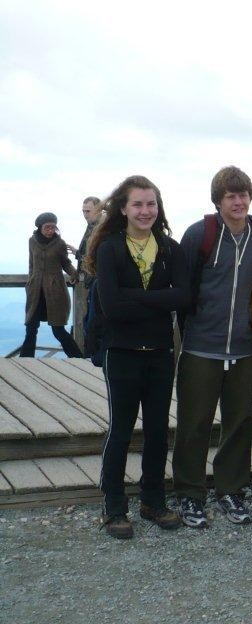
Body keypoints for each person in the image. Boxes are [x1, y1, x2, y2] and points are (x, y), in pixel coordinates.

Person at [84, 176, 189, 539]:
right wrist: (159, 300)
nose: (145, 211)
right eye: (138, 204)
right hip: (122, 352)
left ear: (158, 208)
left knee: (159, 430)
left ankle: (152, 501)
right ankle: (114, 507)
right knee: (121, 430)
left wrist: (135, 297)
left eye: (151, 204)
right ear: (124, 209)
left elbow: (184, 297)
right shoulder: (110, 249)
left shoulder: (171, 249)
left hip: (160, 352)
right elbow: (111, 307)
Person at [172, 166, 252, 529]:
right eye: (231, 195)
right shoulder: (200, 234)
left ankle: (231, 488)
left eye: (243, 194)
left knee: (239, 423)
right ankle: (189, 492)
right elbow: (183, 290)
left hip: (244, 349)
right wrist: (189, 335)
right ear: (218, 200)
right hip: (201, 347)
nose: (239, 201)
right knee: (194, 424)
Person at [21, 213, 83, 359]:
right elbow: (31, 264)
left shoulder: (59, 243)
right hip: (36, 291)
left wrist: (74, 274)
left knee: (58, 329)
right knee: (31, 327)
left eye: (53, 227)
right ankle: (25, 361)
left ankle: (78, 358)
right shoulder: (32, 241)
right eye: (47, 227)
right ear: (39, 227)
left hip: (55, 291)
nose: (50, 230)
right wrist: (30, 282)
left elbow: (65, 263)